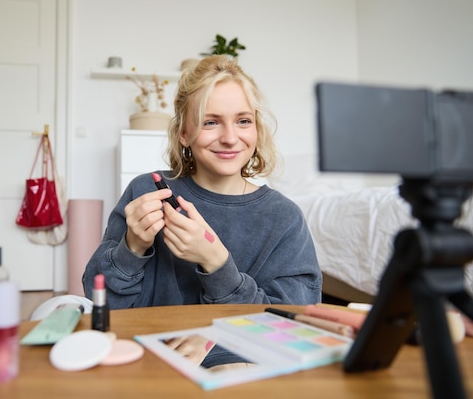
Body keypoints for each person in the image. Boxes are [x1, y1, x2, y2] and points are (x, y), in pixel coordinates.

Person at [83, 55, 322, 309]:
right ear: (184, 133)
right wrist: (132, 248)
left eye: (243, 121)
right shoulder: (145, 192)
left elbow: (291, 323)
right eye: (211, 122)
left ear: (257, 130)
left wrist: (217, 263)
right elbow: (100, 303)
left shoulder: (285, 218)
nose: (230, 138)